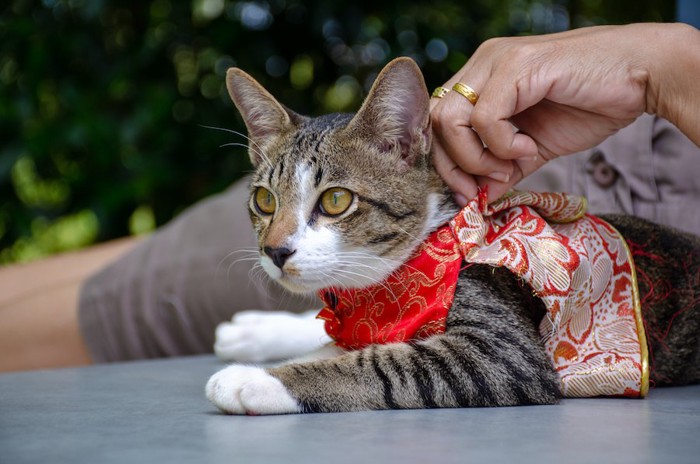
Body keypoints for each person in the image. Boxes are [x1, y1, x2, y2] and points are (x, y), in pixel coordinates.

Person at [1, 22, 698, 372]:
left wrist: (665, 69)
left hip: (509, 204)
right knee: (137, 267)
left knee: (118, 302)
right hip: (473, 162)